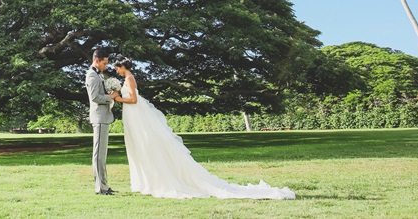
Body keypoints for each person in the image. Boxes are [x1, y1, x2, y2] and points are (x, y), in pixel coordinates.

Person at [110, 55, 295, 200]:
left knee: (146, 146)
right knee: (139, 148)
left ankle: (156, 182)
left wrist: (118, 99)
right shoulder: (126, 79)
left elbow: (133, 100)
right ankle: (145, 182)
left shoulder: (130, 79)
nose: (116, 70)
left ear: (121, 66)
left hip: (136, 116)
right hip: (133, 118)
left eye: (116, 67)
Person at [84, 48, 116, 195]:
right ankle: (100, 187)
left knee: (102, 155)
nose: (106, 66)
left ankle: (104, 185)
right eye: (104, 63)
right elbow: (95, 97)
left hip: (103, 118)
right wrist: (111, 97)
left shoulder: (98, 75)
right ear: (96, 61)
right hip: (99, 118)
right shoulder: (92, 75)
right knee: (98, 155)